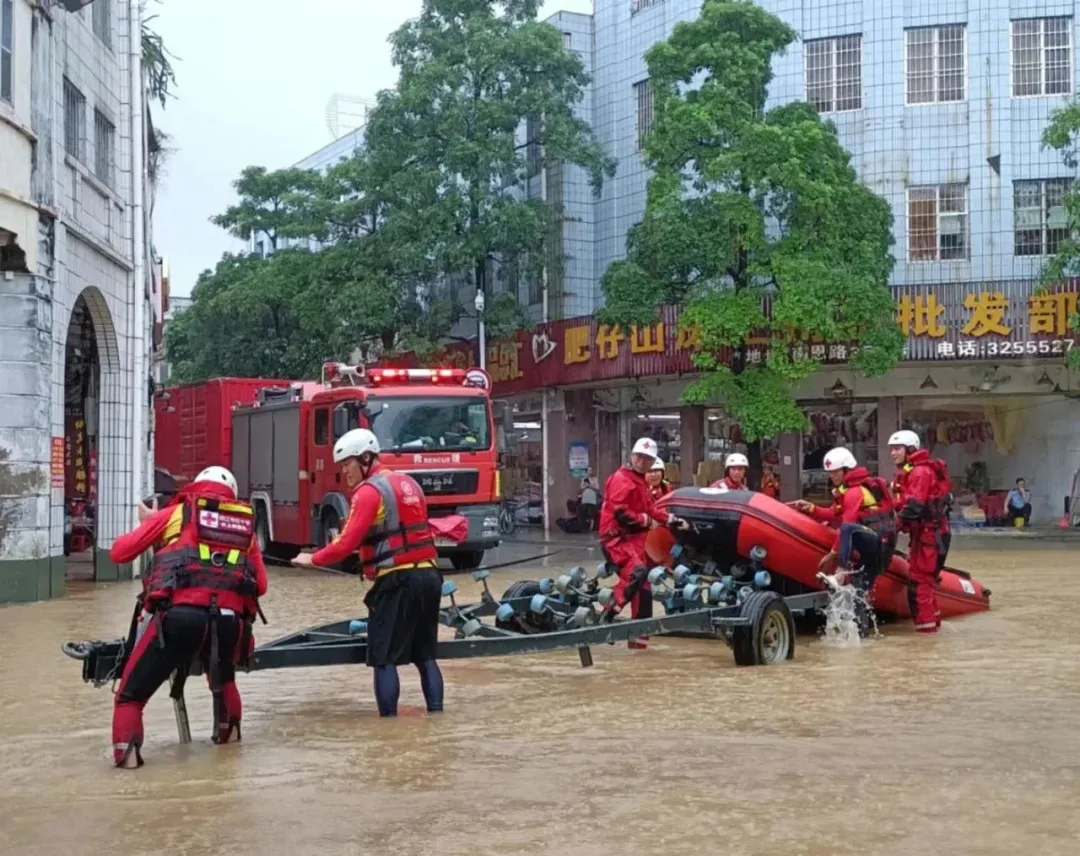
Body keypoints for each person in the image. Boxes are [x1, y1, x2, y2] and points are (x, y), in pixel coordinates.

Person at [108, 465, 269, 769]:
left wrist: (149, 523)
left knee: (130, 697)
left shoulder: (177, 513)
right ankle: (229, 757)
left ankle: (127, 771)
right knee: (224, 683)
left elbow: (120, 553)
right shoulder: (243, 528)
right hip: (228, 624)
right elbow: (260, 586)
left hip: (180, 620)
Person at [293, 428, 444, 717]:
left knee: (383, 657)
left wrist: (312, 560)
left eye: (347, 464)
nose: (344, 472)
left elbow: (345, 543)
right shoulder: (408, 483)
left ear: (365, 458)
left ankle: (387, 727)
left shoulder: (369, 492)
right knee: (425, 656)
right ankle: (437, 715)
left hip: (398, 580)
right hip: (430, 576)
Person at [790, 447, 896, 634]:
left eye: (836, 472)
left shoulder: (855, 492)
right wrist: (812, 508)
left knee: (846, 528)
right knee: (858, 593)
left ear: (846, 470)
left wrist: (833, 553)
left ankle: (840, 572)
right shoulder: (847, 491)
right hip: (874, 546)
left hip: (878, 543)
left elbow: (847, 524)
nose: (832, 476)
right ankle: (861, 634)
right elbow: (833, 514)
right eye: (830, 472)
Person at [598, 437, 687, 649]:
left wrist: (672, 520)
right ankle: (607, 618)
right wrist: (647, 521)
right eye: (639, 456)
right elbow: (621, 512)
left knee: (643, 588)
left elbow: (651, 509)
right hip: (619, 541)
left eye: (647, 459)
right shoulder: (623, 480)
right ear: (631, 456)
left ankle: (638, 642)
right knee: (637, 576)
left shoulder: (641, 483)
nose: (642, 461)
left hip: (637, 543)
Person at [887, 430, 952, 634]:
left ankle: (927, 636)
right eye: (891, 449)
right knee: (923, 582)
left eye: (897, 449)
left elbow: (914, 506)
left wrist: (893, 526)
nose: (893, 453)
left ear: (910, 449)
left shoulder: (920, 472)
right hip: (925, 534)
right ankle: (933, 627)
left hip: (930, 535)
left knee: (920, 582)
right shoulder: (911, 471)